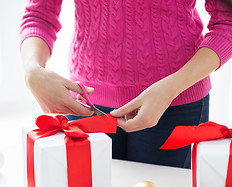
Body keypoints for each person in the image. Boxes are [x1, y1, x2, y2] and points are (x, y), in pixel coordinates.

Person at [20, 0, 232, 168]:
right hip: (85, 103)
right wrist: (32, 69)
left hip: (176, 103)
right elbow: (39, 14)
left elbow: (227, 21)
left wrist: (171, 87)